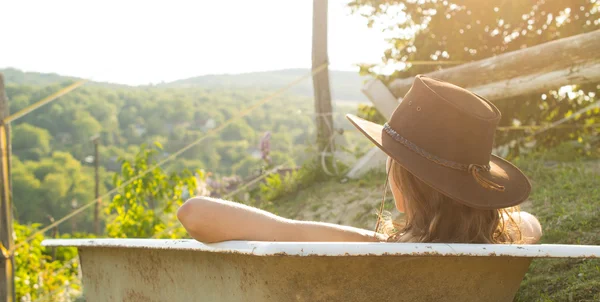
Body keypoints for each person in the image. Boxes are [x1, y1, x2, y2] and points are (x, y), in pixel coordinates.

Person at [177, 75, 542, 244]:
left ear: (403, 187)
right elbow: (531, 223)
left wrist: (359, 236)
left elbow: (194, 213)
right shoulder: (496, 244)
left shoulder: (372, 249)